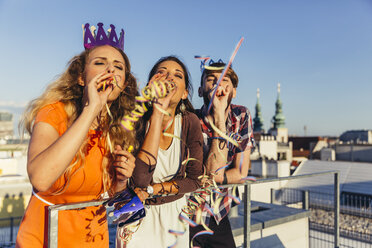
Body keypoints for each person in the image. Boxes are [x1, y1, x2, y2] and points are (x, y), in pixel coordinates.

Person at [16, 23, 139, 247]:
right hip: (46, 236)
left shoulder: (118, 130)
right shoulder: (54, 113)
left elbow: (110, 196)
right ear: (82, 78)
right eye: (100, 63)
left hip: (94, 238)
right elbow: (41, 178)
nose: (110, 70)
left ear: (124, 84)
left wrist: (122, 179)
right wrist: (92, 108)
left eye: (118, 67)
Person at [116, 56, 203, 248]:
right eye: (161, 72)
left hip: (175, 216)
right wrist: (157, 112)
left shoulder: (190, 122)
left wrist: (151, 190)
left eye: (177, 75)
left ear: (184, 94)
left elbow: (195, 180)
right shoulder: (135, 120)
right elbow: (139, 180)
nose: (169, 77)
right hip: (137, 216)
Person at [189, 61, 254, 247]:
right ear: (201, 90)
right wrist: (218, 119)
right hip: (189, 212)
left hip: (218, 212)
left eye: (224, 80)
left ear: (233, 91)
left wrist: (214, 176)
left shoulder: (241, 116)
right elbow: (214, 173)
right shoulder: (191, 120)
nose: (218, 85)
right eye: (211, 80)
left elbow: (240, 173)